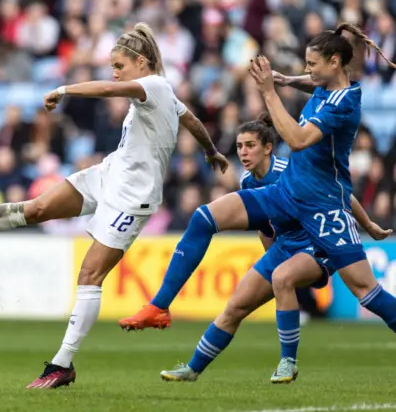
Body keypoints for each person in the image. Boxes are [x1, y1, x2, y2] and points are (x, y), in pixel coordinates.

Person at [0, 22, 229, 389]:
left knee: (89, 275)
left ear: (141, 63)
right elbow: (191, 119)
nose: (114, 72)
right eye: (112, 66)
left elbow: (105, 90)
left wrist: (64, 89)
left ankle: (61, 365)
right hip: (109, 174)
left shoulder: (155, 86)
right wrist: (211, 151)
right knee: (34, 209)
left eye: (119, 65)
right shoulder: (164, 93)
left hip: (134, 197)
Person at [120, 22, 396, 383]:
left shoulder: (344, 104)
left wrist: (269, 91)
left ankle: (287, 361)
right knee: (206, 219)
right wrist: (287, 80)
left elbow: (296, 139)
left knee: (365, 291)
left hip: (323, 208)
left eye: (312, 63)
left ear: (334, 61)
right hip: (287, 196)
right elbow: (311, 82)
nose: (308, 69)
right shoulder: (327, 85)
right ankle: (161, 310)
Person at [152, 114, 388, 384]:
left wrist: (367, 224)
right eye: (239, 146)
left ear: (268, 148)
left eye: (250, 145)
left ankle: (288, 362)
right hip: (286, 246)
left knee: (283, 277)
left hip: (318, 240)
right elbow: (266, 227)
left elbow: (341, 193)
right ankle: (193, 369)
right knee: (235, 307)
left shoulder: (291, 170)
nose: (243, 152)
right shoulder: (247, 182)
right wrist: (271, 257)